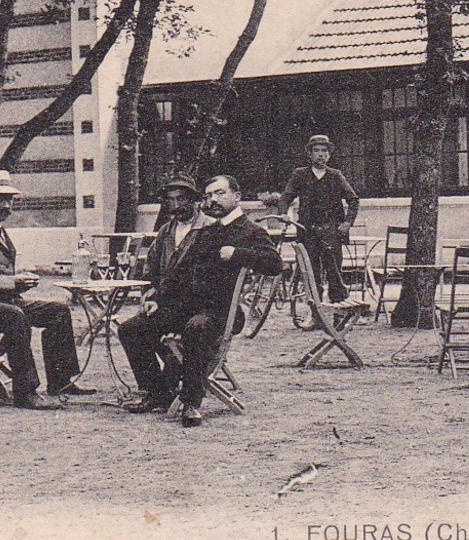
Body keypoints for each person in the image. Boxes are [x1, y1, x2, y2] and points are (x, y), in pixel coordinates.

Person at [120, 174, 283, 426]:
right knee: (132, 328)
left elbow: (275, 264)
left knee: (196, 328)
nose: (213, 200)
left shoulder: (250, 231)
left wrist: (238, 253)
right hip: (187, 307)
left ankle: (191, 402)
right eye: (209, 196)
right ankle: (157, 392)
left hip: (221, 311)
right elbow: (180, 273)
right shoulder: (207, 230)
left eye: (220, 193)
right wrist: (157, 299)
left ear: (236, 197)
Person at [0, 170, 91, 410]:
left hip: (2, 302)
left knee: (58, 310)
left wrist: (16, 282)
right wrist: (13, 282)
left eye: (10, 199)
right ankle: (25, 392)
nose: (7, 205)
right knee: (16, 317)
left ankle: (61, 380)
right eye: (0, 199)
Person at [279, 135, 361, 303]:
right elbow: (285, 197)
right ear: (309, 154)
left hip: (331, 231)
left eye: (324, 151)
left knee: (334, 273)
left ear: (329, 155)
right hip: (308, 231)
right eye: (316, 151)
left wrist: (347, 223)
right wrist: (283, 213)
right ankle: (315, 314)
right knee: (311, 274)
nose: (320, 155)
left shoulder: (335, 175)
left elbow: (353, 200)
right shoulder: (300, 175)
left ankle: (339, 314)